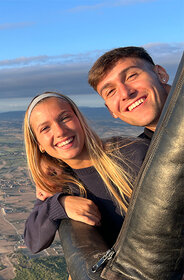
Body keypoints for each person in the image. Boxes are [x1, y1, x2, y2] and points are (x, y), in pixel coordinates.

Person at [23, 92, 149, 253]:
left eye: (65, 118)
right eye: (45, 128)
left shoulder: (132, 154)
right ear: (39, 144)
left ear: (79, 120)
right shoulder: (58, 183)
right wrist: (59, 205)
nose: (60, 131)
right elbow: (33, 241)